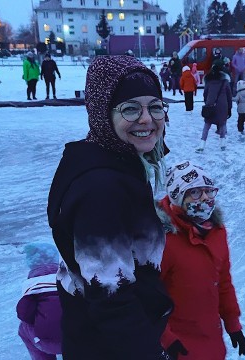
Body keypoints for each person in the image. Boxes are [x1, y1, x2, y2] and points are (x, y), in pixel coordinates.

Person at [47, 55, 173, 359]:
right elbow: (111, 296)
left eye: (155, 106)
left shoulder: (114, 158)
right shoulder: (101, 188)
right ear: (103, 113)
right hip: (108, 347)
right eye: (131, 108)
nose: (147, 119)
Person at [158, 161, 245, 360]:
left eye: (208, 190)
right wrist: (165, 337)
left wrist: (232, 323)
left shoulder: (217, 232)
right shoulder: (163, 241)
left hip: (211, 337)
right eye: (196, 192)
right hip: (178, 344)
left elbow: (223, 282)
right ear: (178, 197)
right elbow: (148, 296)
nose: (205, 197)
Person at [16, 243, 62, 360]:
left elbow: (24, 313)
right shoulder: (68, 277)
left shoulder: (31, 284)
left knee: (23, 328)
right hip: (78, 337)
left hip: (46, 342)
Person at [198, 64, 232, 152]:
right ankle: (222, 144)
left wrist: (208, 102)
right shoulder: (225, 82)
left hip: (210, 105)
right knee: (222, 124)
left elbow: (205, 94)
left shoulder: (209, 81)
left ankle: (202, 144)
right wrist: (229, 108)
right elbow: (229, 96)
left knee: (207, 125)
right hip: (223, 106)